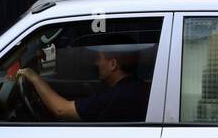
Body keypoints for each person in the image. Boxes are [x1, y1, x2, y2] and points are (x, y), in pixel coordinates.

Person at [17, 47, 149, 123]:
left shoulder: (119, 97)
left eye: (99, 58)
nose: (96, 64)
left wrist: (34, 78)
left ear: (113, 64)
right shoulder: (133, 88)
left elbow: (61, 110)